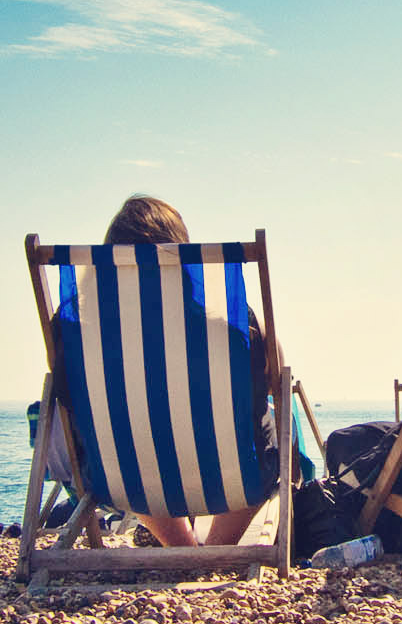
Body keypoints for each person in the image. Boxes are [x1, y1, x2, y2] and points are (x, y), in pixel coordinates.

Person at [58, 196, 280, 548]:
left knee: (136, 441)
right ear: (182, 258)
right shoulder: (228, 327)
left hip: (122, 479)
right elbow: (274, 376)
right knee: (277, 430)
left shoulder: (76, 330)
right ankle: (216, 549)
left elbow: (66, 396)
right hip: (231, 476)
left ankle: (182, 548)